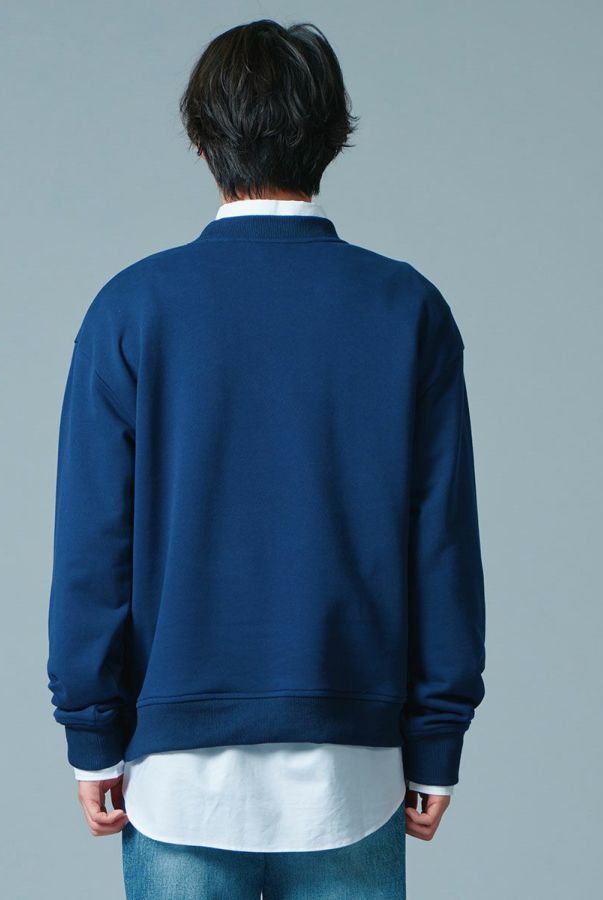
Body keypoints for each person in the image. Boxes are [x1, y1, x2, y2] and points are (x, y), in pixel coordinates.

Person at [46, 18, 486, 900]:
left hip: (176, 775)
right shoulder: (405, 309)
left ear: (201, 136)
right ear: (334, 134)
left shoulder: (133, 308)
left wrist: (91, 735)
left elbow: (94, 544)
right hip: (353, 768)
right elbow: (441, 542)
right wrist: (436, 742)